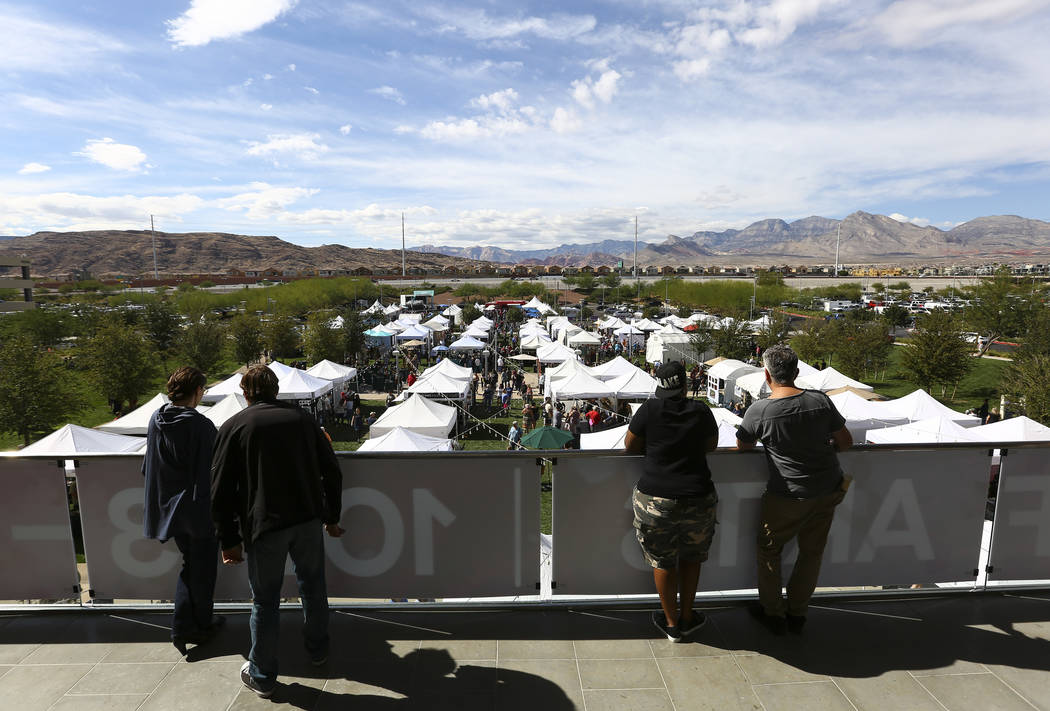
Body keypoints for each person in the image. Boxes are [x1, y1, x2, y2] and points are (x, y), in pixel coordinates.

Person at [211, 366, 345, 698]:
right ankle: (318, 650)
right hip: (307, 520)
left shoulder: (234, 426)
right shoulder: (303, 420)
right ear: (276, 389)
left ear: (245, 393)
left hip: (264, 526)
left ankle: (263, 675)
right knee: (313, 587)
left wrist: (229, 539)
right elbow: (332, 470)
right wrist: (331, 517)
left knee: (265, 600)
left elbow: (220, 490)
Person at [735, 344, 853, 635]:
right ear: (797, 372)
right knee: (811, 553)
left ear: (766, 375)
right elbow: (845, 442)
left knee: (769, 550)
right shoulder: (820, 401)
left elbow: (743, 445)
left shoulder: (760, 410)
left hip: (787, 494)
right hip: (827, 488)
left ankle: (773, 614)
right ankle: (797, 614)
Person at [625, 361, 719, 642]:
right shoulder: (701, 411)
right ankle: (687, 617)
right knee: (692, 557)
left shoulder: (649, 410)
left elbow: (630, 445)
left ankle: (671, 624)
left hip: (655, 499)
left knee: (663, 561)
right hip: (698, 495)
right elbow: (711, 445)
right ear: (686, 385)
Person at [142, 366, 222, 656]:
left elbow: (149, 465)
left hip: (169, 509)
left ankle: (194, 623)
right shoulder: (201, 425)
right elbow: (214, 471)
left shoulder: (156, 419)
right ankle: (190, 626)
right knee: (202, 571)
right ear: (197, 391)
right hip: (198, 510)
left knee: (192, 566)